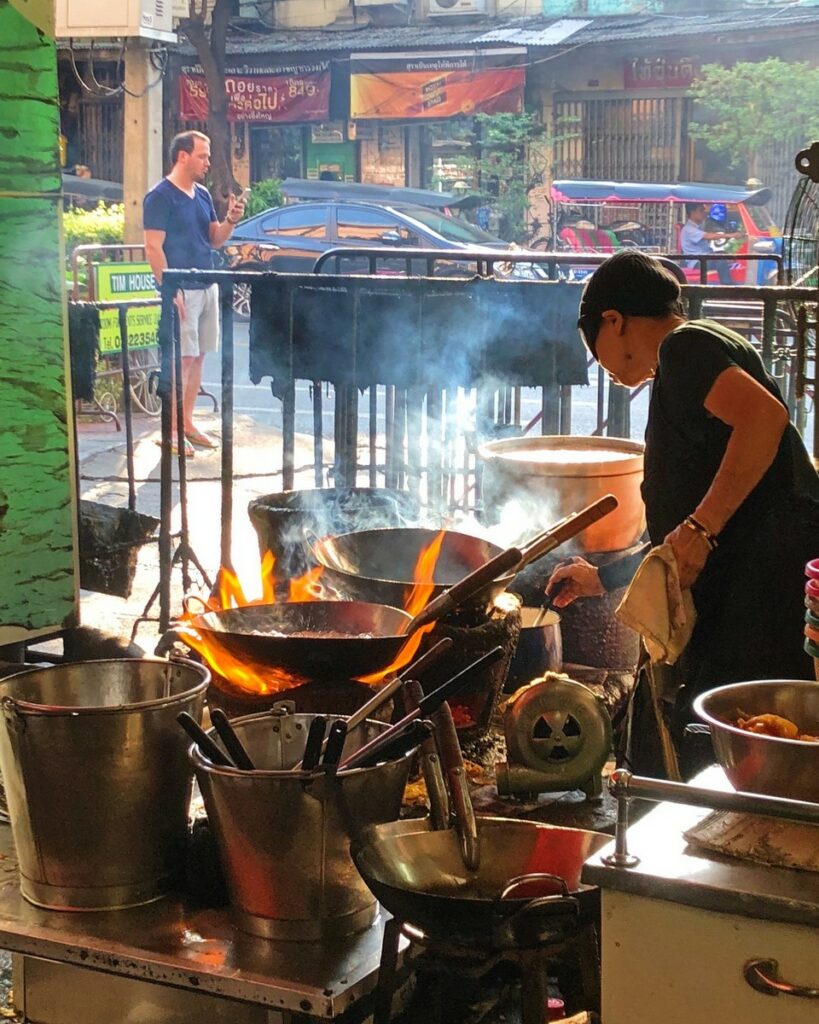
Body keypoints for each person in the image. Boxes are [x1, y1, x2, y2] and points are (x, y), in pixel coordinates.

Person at [546, 251, 819, 767]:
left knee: (722, 743)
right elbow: (683, 529)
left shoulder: (686, 346)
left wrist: (700, 528)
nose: (603, 365)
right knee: (691, 738)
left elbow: (764, 418)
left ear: (613, 320)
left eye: (596, 347)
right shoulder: (697, 356)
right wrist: (604, 577)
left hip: (762, 588)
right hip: (752, 584)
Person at [143, 130, 246, 456]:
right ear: (182, 156)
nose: (208, 162)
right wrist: (167, 288)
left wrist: (230, 220)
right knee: (181, 359)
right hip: (181, 289)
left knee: (199, 355)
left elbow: (214, 239)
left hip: (206, 284)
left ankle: (186, 423)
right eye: (202, 155)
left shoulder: (201, 194)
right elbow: (152, 246)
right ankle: (170, 430)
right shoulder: (159, 196)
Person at [680, 202, 741, 286]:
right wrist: (731, 235)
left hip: (704, 257)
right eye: (701, 211)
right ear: (692, 212)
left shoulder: (698, 227)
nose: (704, 213)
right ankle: (727, 285)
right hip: (698, 262)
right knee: (720, 259)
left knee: (724, 254)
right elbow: (708, 236)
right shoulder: (689, 229)